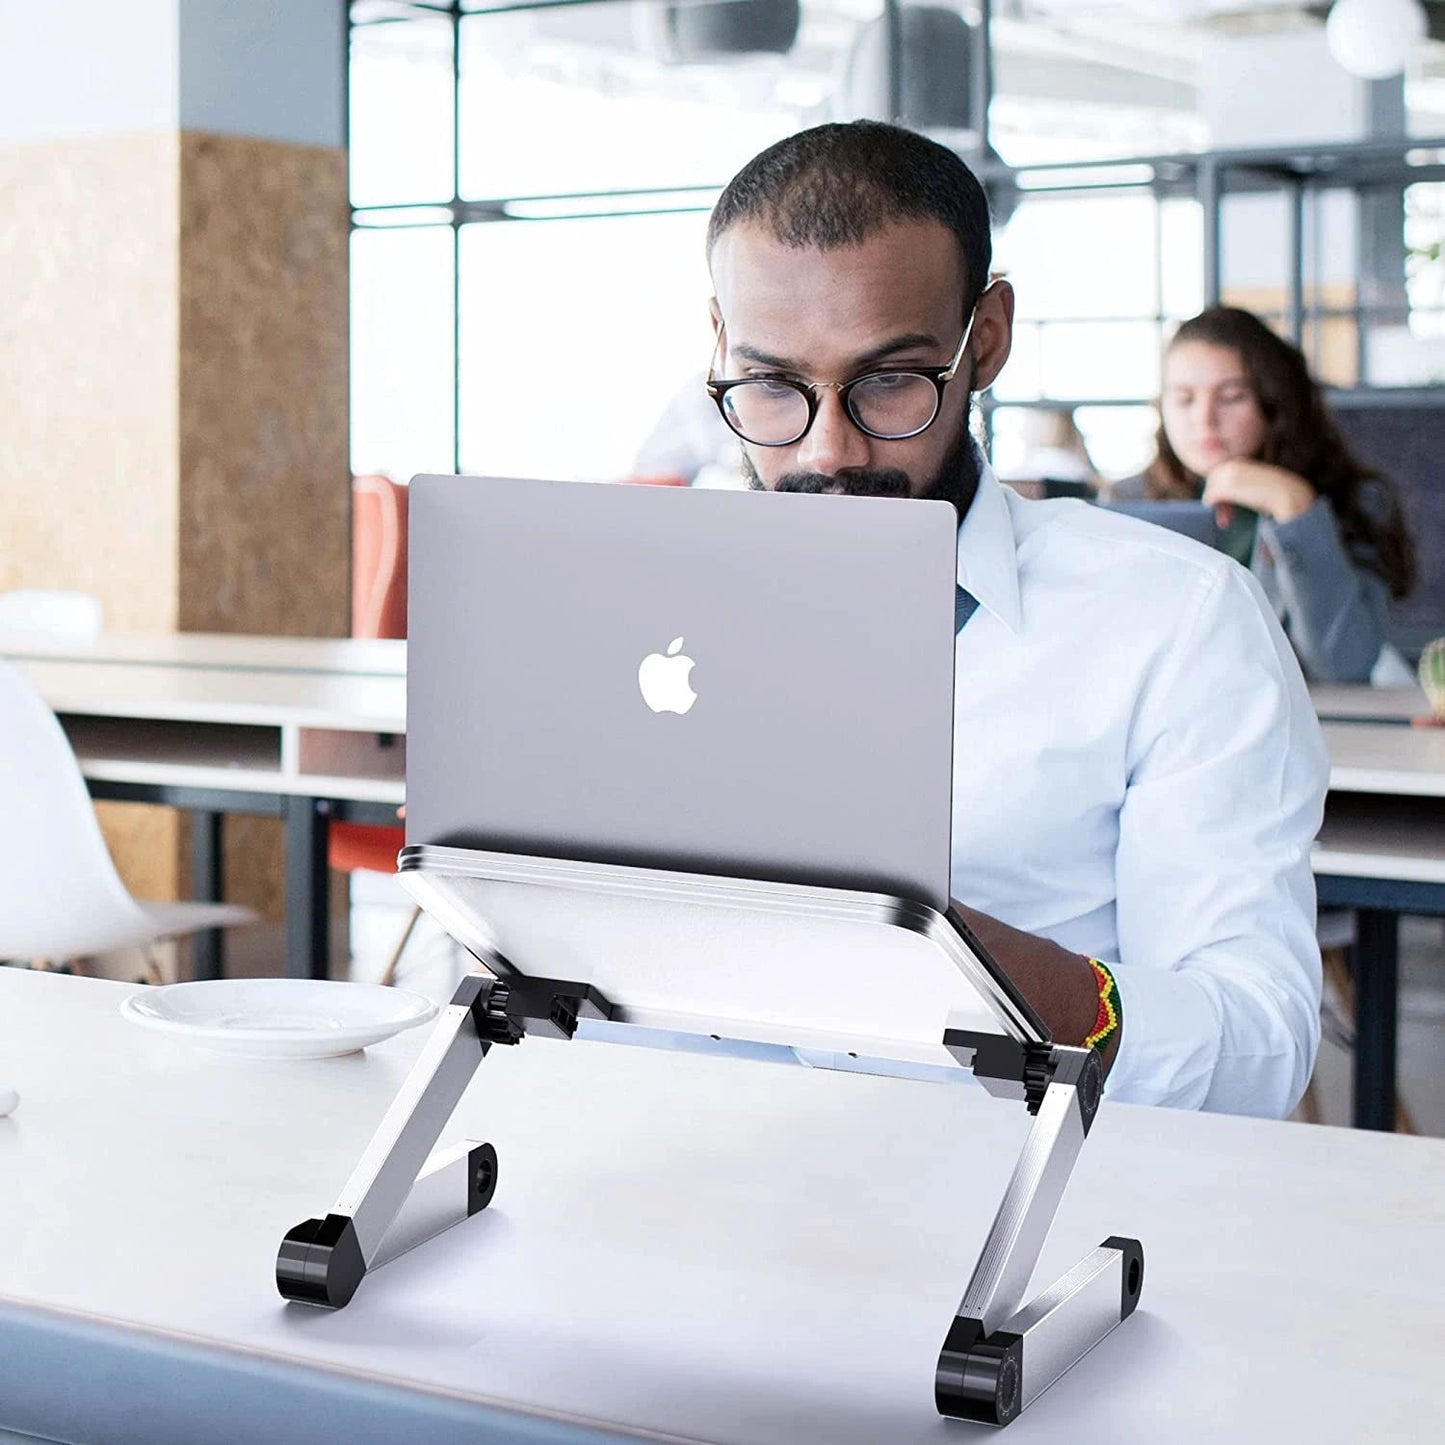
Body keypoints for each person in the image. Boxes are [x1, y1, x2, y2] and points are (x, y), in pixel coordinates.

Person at [704, 121, 1328, 1116]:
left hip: (1022, 1201)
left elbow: (1256, 1046)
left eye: (888, 382)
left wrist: (947, 960)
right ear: (722, 347)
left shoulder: (1173, 619)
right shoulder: (664, 610)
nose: (827, 450)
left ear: (982, 339)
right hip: (689, 1188)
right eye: (773, 386)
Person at [1110, 307, 1417, 684]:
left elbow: (1344, 664)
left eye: (1232, 396)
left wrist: (1294, 508)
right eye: (1185, 399)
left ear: (1273, 401)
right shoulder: (1127, 502)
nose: (1205, 419)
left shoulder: (1351, 498)